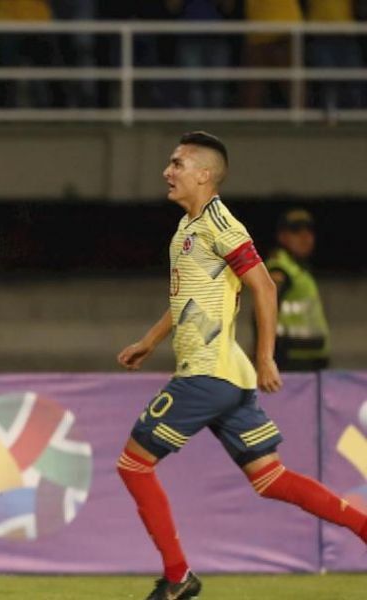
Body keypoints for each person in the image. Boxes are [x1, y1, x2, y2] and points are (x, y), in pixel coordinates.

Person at [115, 132, 367, 600]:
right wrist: (149, 341)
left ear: (204, 174)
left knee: (133, 465)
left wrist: (266, 355)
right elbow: (186, 299)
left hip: (206, 373)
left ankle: (177, 578)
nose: (167, 172)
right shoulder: (188, 228)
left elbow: (264, 288)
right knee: (270, 478)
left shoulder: (221, 225)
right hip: (227, 376)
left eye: (177, 163)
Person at [265, 208, 331, 370]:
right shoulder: (280, 267)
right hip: (289, 361)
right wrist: (265, 355)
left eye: (309, 231)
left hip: (309, 359)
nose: (305, 237)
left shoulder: (299, 269)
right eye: (296, 231)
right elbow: (264, 308)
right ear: (282, 237)